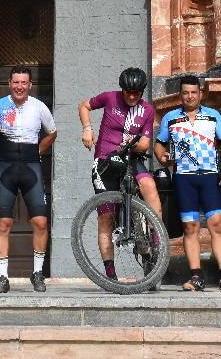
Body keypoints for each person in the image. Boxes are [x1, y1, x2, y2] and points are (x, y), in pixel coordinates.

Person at [154, 75, 221, 292]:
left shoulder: (214, 116)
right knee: (190, 227)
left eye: (193, 92)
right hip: (184, 178)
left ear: (200, 94)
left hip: (210, 176)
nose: (189, 97)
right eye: (185, 93)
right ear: (180, 95)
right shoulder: (170, 118)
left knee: (217, 224)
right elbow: (159, 145)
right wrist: (162, 157)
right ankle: (196, 276)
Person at [77, 66, 163, 281]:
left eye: (136, 93)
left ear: (142, 91)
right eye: (128, 92)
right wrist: (87, 128)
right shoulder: (109, 98)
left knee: (150, 188)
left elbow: (144, 144)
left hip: (131, 159)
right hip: (106, 160)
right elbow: (84, 106)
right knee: (106, 218)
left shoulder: (147, 111)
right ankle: (110, 273)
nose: (132, 96)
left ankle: (155, 243)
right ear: (122, 90)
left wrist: (133, 146)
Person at [0, 66, 57, 293]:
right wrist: (2, 144)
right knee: (3, 223)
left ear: (30, 85)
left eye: (24, 83)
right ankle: (3, 277)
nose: (20, 87)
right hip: (5, 167)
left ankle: (37, 273)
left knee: (40, 222)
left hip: (31, 167)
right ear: (9, 83)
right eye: (16, 82)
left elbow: (52, 132)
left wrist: (37, 151)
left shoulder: (39, 107)